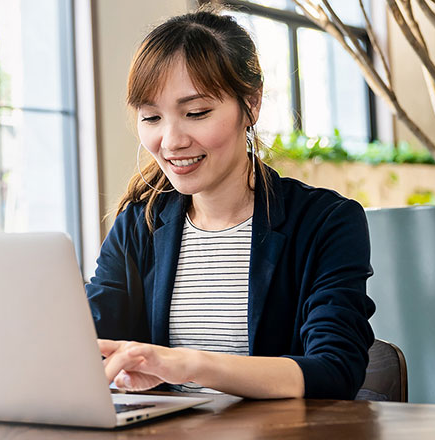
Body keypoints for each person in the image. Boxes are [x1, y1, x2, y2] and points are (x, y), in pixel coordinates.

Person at [86, 6, 376, 400]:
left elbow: (335, 369)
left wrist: (187, 363)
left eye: (196, 112)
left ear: (251, 104)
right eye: (151, 117)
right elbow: (86, 342)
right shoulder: (141, 224)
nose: (171, 141)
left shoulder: (325, 222)